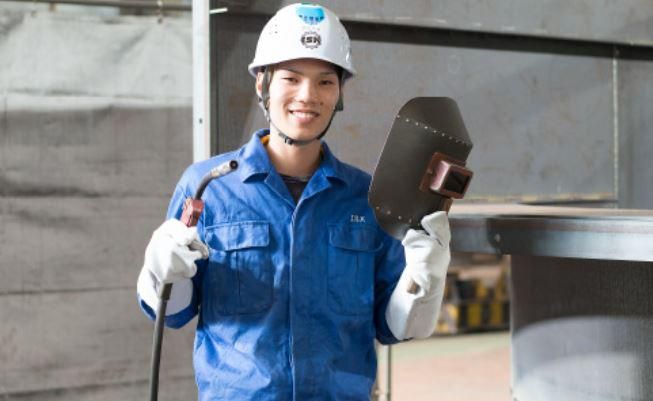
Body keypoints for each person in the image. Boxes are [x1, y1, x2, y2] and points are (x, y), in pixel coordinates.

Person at [137, 3, 451, 400]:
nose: (308, 96)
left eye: (325, 82)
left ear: (339, 93)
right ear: (262, 84)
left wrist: (426, 279)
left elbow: (393, 327)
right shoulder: (210, 187)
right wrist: (160, 273)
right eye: (291, 78)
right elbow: (174, 313)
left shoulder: (366, 197)